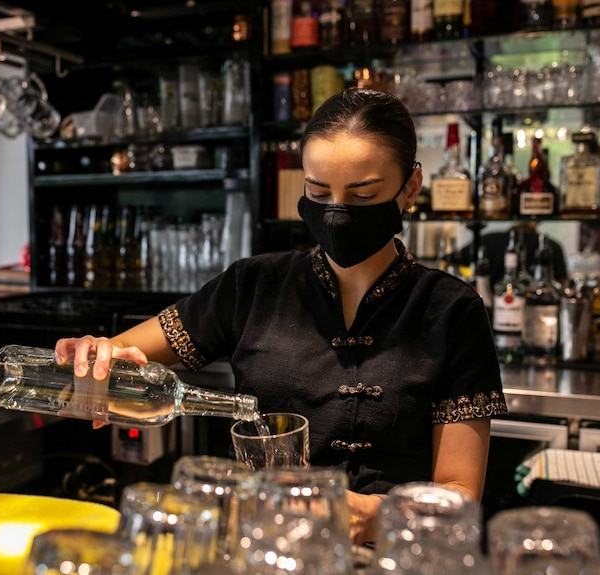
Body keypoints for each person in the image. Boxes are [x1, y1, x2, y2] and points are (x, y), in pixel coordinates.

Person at [54, 88, 508, 545]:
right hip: (269, 549)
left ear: (410, 188)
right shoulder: (252, 286)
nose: (335, 211)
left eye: (362, 194)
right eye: (317, 191)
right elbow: (118, 359)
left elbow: (460, 496)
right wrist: (96, 359)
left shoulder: (452, 311)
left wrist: (372, 516)